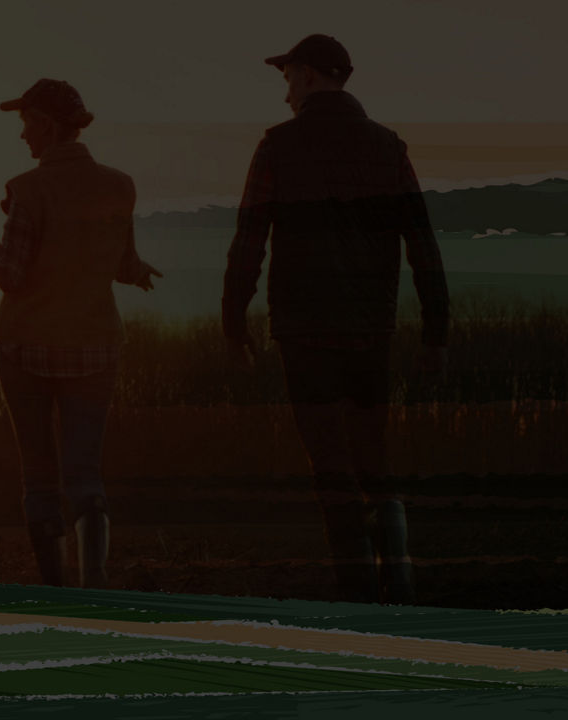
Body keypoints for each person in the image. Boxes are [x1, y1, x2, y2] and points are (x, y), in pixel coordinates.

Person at [222, 35, 449, 604]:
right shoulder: (388, 147)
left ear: (309, 76)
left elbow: (249, 240)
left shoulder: (277, 146)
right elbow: (422, 242)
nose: (285, 94)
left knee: (329, 464)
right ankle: (398, 570)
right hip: (371, 327)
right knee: (373, 456)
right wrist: (435, 330)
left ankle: (355, 591)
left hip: (303, 328)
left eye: (288, 78)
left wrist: (233, 322)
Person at [0, 79, 160, 589]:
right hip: (98, 344)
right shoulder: (120, 185)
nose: (22, 136)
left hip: (27, 346)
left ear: (45, 124)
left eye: (25, 124)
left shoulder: (28, 189)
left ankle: (58, 587)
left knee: (39, 477)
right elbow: (121, 261)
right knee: (85, 473)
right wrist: (139, 271)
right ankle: (96, 579)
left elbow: (12, 275)